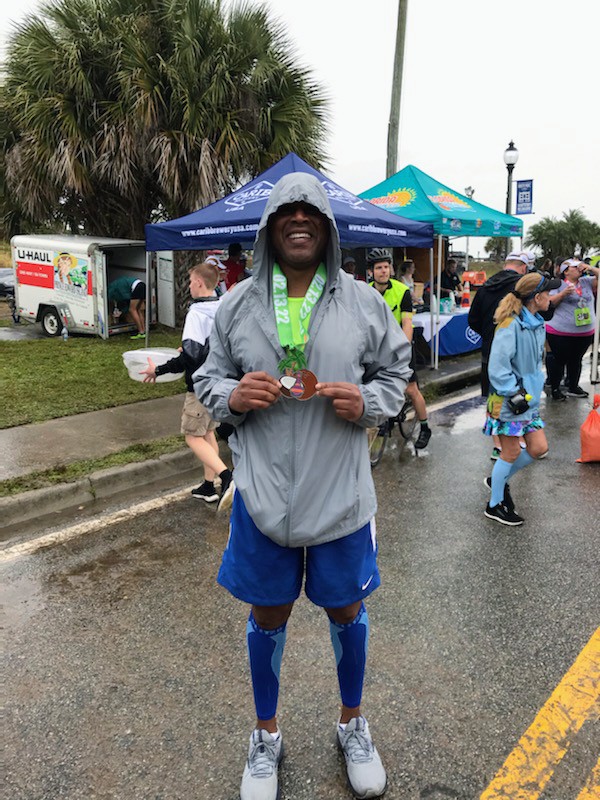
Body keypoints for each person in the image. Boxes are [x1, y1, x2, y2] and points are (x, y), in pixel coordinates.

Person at [195, 172, 411, 800]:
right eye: (286, 211)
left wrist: (369, 402)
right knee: (268, 612)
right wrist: (232, 396)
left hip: (341, 494)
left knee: (346, 609)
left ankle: (352, 724)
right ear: (269, 227)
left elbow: (396, 371)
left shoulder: (363, 302)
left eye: (309, 211)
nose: (298, 219)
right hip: (263, 495)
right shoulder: (237, 304)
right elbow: (209, 378)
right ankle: (266, 735)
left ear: (327, 227)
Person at [140, 262, 233, 505]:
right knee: (208, 432)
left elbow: (190, 357)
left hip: (200, 386)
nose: (189, 286)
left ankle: (226, 476)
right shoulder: (220, 307)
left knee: (192, 436)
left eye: (191, 281)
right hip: (218, 382)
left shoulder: (196, 313)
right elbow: (209, 347)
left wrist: (158, 370)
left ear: (199, 283)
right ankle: (208, 486)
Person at [483, 272, 560, 526]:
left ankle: (498, 480)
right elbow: (497, 368)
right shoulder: (510, 324)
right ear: (536, 298)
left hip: (528, 399)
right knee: (511, 451)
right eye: (548, 293)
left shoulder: (537, 322)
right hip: (510, 400)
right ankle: (494, 505)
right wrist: (514, 392)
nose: (551, 298)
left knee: (538, 448)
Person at [468, 251, 537, 459]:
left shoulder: (486, 286)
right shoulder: (522, 287)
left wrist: (489, 334)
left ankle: (498, 445)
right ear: (523, 267)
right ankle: (518, 440)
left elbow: (473, 320)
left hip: (490, 348)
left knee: (493, 395)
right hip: (517, 350)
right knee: (520, 393)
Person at [367, 248, 432, 449]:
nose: (383, 271)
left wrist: (403, 350)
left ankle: (425, 427)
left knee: (411, 389)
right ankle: (384, 419)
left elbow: (406, 323)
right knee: (376, 385)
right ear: (371, 272)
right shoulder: (365, 292)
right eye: (379, 268)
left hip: (400, 346)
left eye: (386, 267)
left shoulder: (402, 291)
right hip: (378, 348)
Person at [545, 258, 599, 400]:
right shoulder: (558, 284)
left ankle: (573, 386)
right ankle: (555, 388)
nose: (579, 268)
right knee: (559, 360)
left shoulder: (586, 282)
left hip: (584, 332)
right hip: (560, 332)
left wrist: (590, 268)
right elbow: (548, 303)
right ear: (566, 272)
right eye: (575, 267)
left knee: (576, 360)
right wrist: (563, 294)